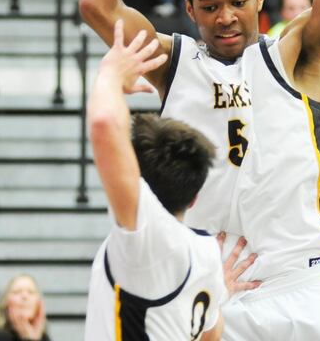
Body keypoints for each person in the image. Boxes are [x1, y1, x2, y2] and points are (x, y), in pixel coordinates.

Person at [79, 0, 320, 337]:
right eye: (209, 6)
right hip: (215, 294)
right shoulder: (172, 63)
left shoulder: (295, 53)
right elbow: (96, 2)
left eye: (238, 1)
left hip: (299, 285)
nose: (225, 17)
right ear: (189, 9)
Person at [83, 20, 259, 340]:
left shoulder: (145, 232)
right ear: (194, 197)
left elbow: (104, 123)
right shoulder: (206, 252)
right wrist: (216, 294)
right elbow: (211, 334)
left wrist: (110, 74)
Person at [0, 274, 50, 341]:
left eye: (31, 292)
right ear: (5, 302)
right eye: (17, 292)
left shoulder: (43, 338)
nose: (24, 296)